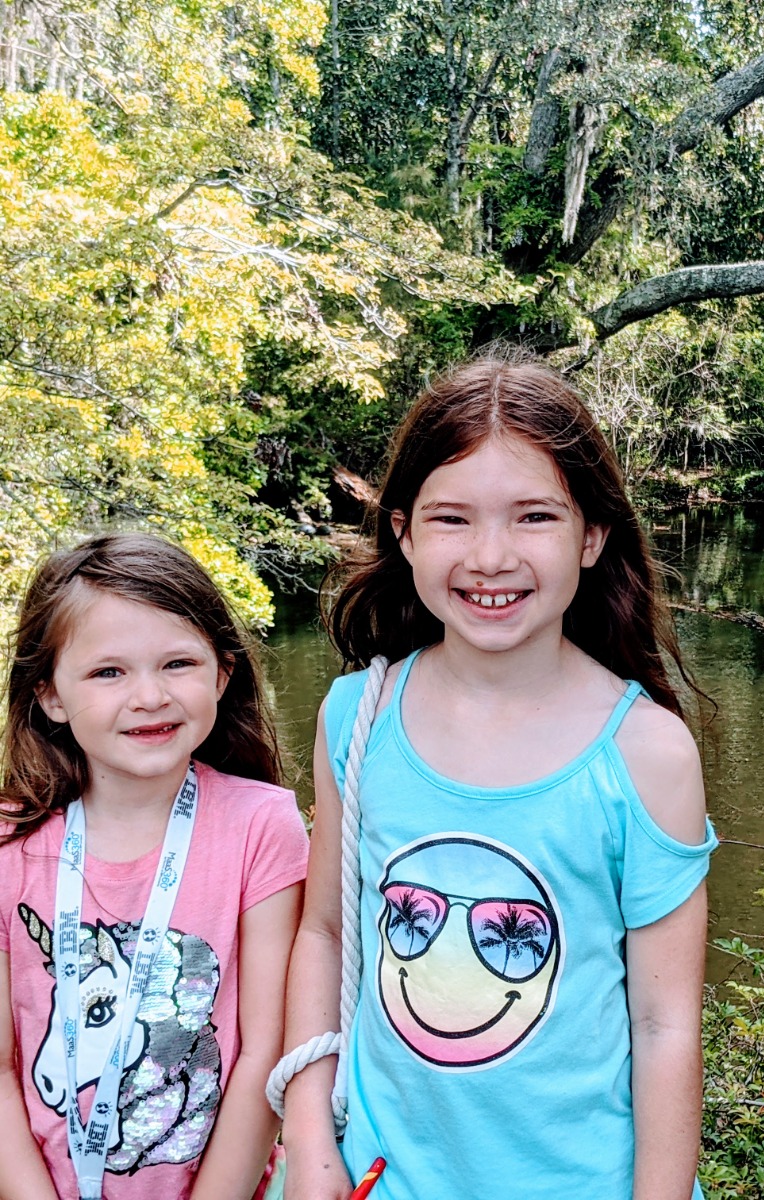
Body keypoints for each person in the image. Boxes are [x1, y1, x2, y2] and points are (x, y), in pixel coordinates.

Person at [280, 354, 718, 1200]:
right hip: (379, 1175)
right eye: (451, 519)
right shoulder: (353, 718)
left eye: (533, 516)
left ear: (591, 536)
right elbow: (325, 932)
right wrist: (307, 1140)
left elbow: (665, 1025)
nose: (491, 556)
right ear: (402, 532)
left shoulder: (646, 753)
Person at [0, 533, 309, 1200]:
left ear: (223, 674)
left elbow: (265, 1051)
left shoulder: (262, 825)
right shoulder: (6, 844)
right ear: (50, 694)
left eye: (178, 663)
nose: (149, 696)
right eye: (108, 672)